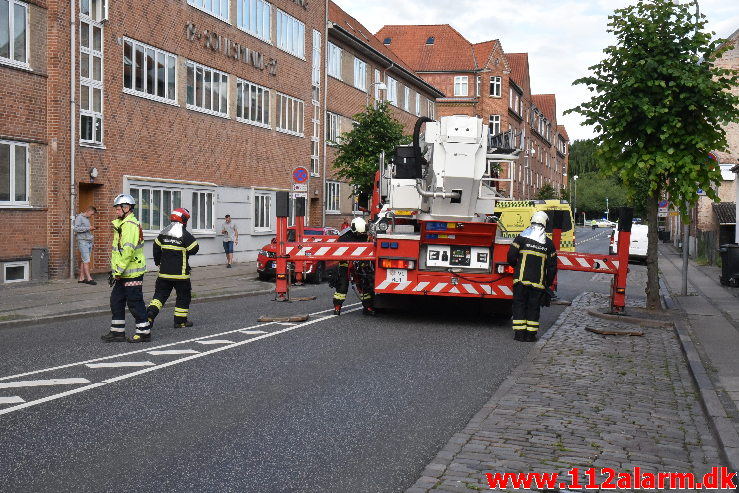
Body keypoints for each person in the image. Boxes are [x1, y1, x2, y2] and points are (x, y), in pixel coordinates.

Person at [102, 194, 151, 343]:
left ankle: (144, 332)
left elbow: (127, 251)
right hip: (123, 273)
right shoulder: (122, 225)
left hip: (132, 273)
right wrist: (116, 271)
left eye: (118, 209)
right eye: (116, 209)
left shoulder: (129, 226)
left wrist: (117, 271)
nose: (116, 211)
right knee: (116, 300)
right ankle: (118, 332)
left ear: (127, 208)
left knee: (134, 302)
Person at [507, 211, 557, 342]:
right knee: (533, 307)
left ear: (532, 221)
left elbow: (511, 256)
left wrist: (516, 267)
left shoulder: (521, 238)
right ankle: (530, 335)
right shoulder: (548, 244)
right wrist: (547, 283)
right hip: (538, 283)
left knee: (519, 305)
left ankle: (519, 334)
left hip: (521, 281)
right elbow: (552, 267)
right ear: (545, 224)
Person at [146, 208, 199, 329]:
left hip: (164, 274)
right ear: (184, 220)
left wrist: (157, 262)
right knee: (183, 297)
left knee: (159, 296)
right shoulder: (185, 235)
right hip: (181, 275)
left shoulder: (163, 233)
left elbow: (156, 247)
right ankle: (180, 321)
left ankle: (150, 314)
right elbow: (195, 249)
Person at [332, 217, 375, 316]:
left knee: (364, 284)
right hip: (345, 263)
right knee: (342, 285)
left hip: (360, 263)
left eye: (362, 233)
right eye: (359, 233)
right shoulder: (344, 237)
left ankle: (367, 307)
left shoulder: (364, 236)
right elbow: (338, 251)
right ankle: (337, 307)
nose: (361, 235)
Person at [74, 206, 97, 285]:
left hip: (88, 241)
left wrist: (92, 241)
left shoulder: (87, 219)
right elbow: (76, 229)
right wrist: (88, 228)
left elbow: (87, 231)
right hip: (83, 241)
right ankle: (89, 279)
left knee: (84, 260)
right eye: (91, 214)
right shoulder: (79, 218)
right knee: (86, 260)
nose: (92, 216)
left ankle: (81, 278)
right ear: (88, 211)